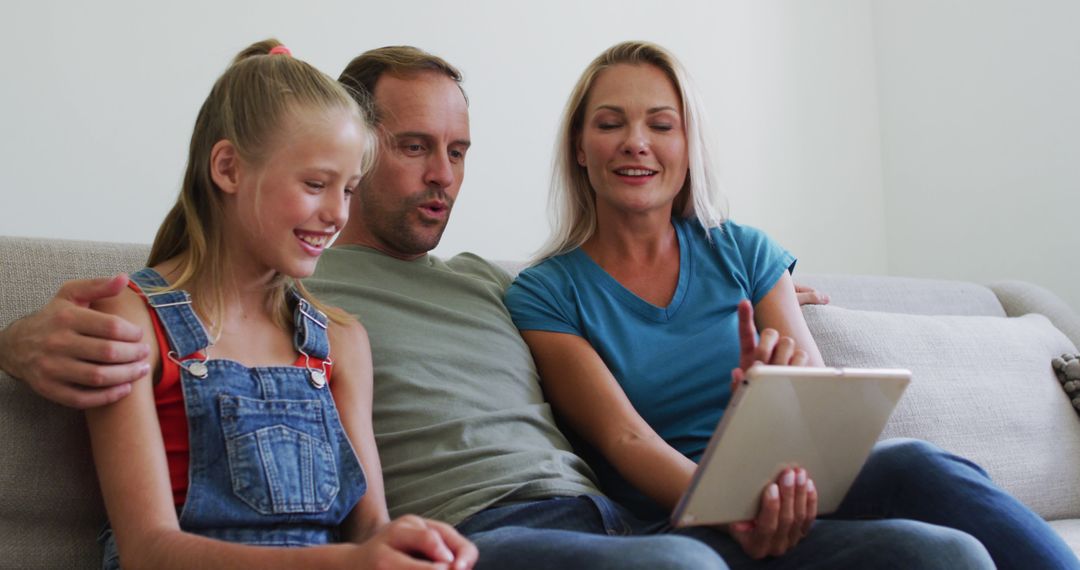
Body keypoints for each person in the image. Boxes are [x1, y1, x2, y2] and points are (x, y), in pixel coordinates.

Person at [0, 44, 825, 570]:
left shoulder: (496, 292)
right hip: (488, 530)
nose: (443, 175)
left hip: (602, 517)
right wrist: (14, 337)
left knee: (919, 525)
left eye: (458, 152)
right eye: (413, 147)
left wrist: (753, 293)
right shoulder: (270, 292)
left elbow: (371, 528)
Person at [504, 40, 1079, 570]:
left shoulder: (746, 252)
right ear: (580, 147)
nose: (637, 141)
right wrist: (735, 506)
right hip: (685, 521)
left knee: (916, 462)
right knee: (948, 555)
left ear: (686, 148)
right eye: (610, 124)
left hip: (798, 490)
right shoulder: (546, 292)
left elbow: (816, 405)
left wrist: (771, 400)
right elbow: (623, 440)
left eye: (662, 125)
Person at [82, 39, 476, 569]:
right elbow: (148, 550)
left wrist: (409, 541)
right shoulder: (130, 322)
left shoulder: (340, 341)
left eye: (349, 190)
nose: (337, 214)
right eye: (316, 184)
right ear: (227, 168)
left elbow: (370, 528)